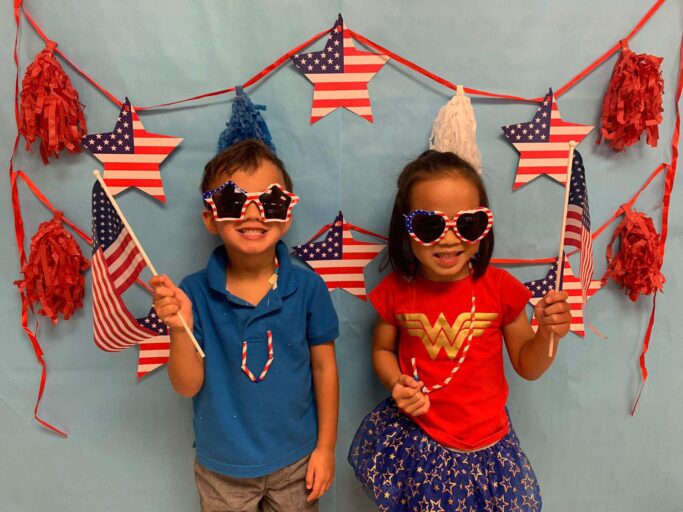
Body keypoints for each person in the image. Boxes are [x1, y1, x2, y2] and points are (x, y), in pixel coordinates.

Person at [348, 150, 572, 511]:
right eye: (429, 226)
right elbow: (381, 350)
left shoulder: (500, 289)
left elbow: (528, 367)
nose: (449, 239)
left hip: (490, 445)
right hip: (421, 441)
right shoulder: (395, 292)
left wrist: (548, 334)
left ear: (485, 225)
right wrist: (396, 383)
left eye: (467, 224)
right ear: (405, 229)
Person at [151, 140, 339, 512]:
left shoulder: (308, 288)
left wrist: (326, 447)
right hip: (222, 470)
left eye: (270, 202)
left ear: (286, 216)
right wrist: (179, 326)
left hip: (298, 462)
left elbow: (325, 368)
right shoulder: (192, 293)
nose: (253, 214)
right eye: (233, 202)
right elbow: (186, 385)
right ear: (210, 218)